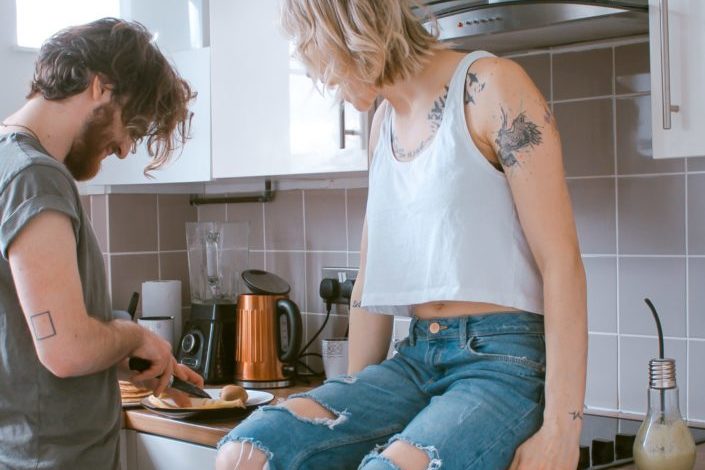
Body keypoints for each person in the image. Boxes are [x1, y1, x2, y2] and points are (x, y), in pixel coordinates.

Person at [216, 0, 587, 469]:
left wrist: (561, 430)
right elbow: (369, 284)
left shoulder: (491, 88)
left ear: (353, 31)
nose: (325, 79)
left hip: (504, 365)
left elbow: (563, 264)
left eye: (321, 53)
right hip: (416, 357)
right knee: (244, 454)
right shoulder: (382, 125)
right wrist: (349, 408)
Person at [0, 18, 204, 470]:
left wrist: (127, 352)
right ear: (100, 87)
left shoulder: (9, 162)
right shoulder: (35, 176)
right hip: (50, 458)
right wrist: (132, 333)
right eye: (133, 123)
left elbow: (24, 334)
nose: (127, 147)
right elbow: (64, 348)